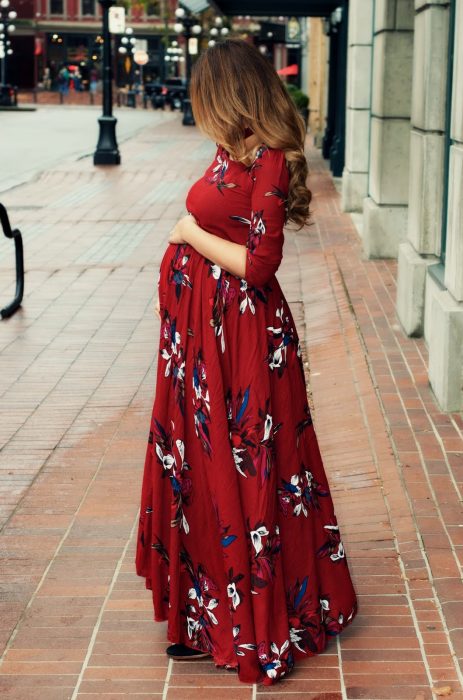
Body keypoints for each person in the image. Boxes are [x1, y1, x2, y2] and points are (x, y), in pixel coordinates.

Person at [135, 38, 358, 686]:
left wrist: (187, 234)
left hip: (238, 344)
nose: (200, 109)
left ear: (228, 94)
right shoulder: (229, 151)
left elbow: (259, 265)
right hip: (200, 343)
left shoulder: (269, 160)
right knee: (202, 473)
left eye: (206, 96)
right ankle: (209, 615)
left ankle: (250, 621)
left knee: (243, 470)